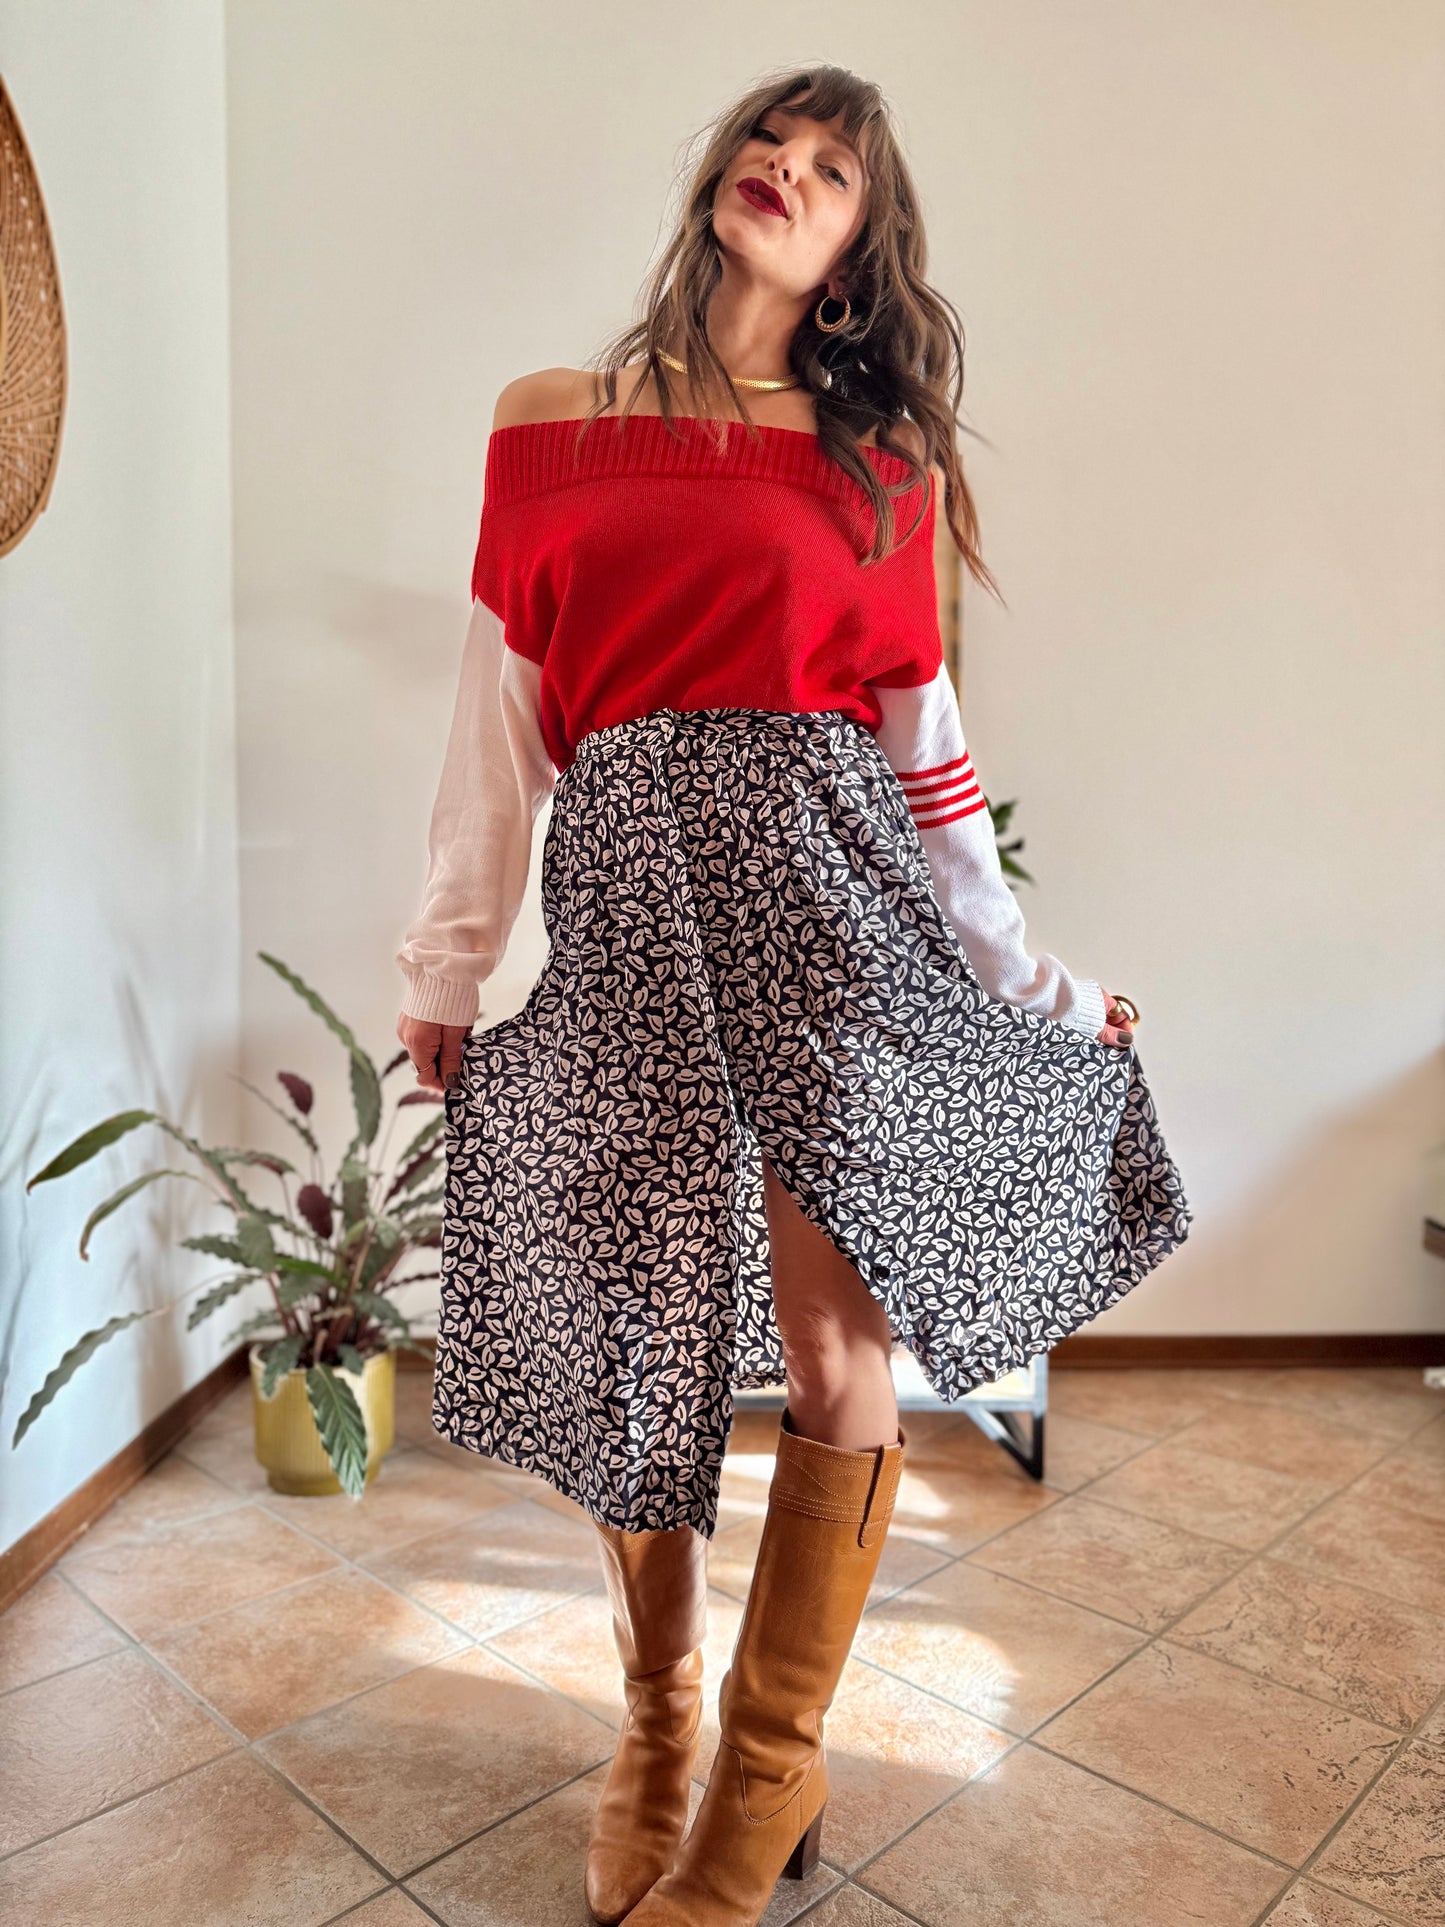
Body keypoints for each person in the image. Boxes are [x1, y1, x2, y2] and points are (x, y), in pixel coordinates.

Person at [395, 64, 1191, 1927]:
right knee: (632, 1329)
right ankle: (658, 1731)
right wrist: (447, 955)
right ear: (714, 186)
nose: (785, 170)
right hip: (622, 908)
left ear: (854, 256)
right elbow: (501, 720)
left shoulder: (879, 471)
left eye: (830, 170)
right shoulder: (548, 421)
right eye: (769, 143)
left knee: (840, 1352)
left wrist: (1036, 984)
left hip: (832, 907)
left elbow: (927, 760)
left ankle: (762, 1777)